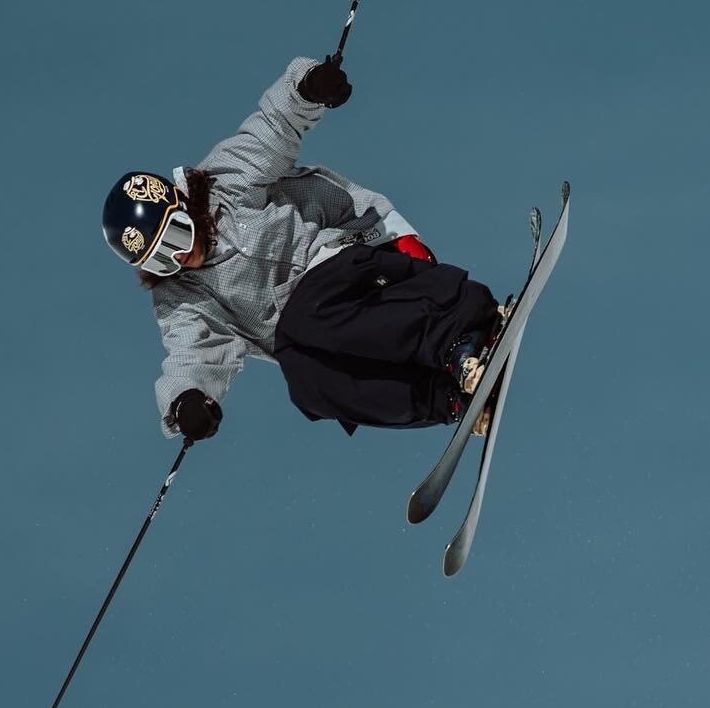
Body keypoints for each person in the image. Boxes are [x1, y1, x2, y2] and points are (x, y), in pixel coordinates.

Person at [101, 55, 503, 443]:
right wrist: (185, 400)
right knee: (308, 384)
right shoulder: (181, 295)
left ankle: (460, 332)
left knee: (306, 317)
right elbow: (191, 352)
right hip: (319, 328)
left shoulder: (223, 183)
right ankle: (448, 396)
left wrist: (308, 89)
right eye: (160, 259)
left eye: (173, 236)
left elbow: (272, 128)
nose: (179, 257)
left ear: (184, 206)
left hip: (343, 255)